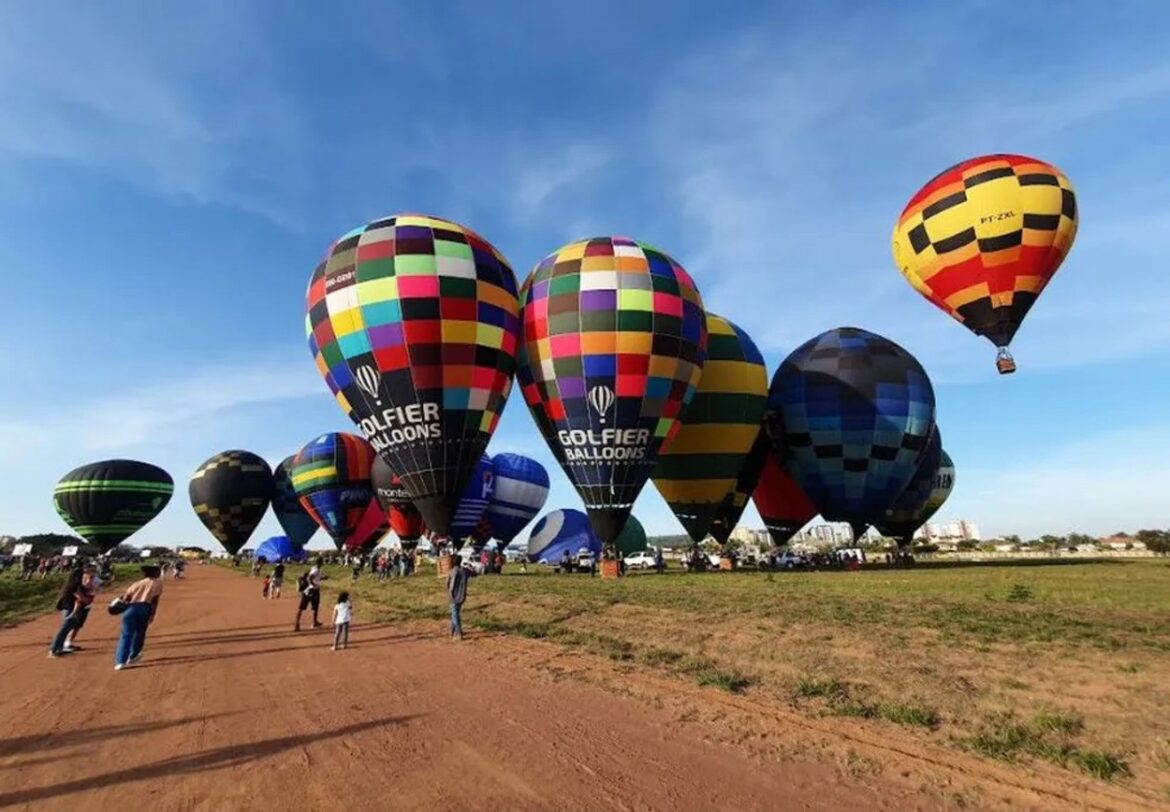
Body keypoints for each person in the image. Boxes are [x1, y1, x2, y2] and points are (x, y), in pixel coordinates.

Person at [114, 565, 163, 671]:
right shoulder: (157, 583)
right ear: (154, 573)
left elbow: (126, 597)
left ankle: (120, 662)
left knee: (126, 635)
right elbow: (155, 601)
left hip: (130, 608)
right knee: (140, 633)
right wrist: (152, 614)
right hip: (144, 608)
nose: (160, 573)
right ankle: (133, 656)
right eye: (158, 571)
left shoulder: (137, 583)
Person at [48, 567, 95, 657]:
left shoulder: (71, 585)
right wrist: (88, 600)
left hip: (68, 608)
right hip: (70, 609)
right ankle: (53, 650)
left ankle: (59, 648)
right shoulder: (74, 586)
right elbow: (82, 598)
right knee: (63, 630)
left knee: (65, 630)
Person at [63, 565, 101, 652]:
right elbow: (85, 588)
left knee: (78, 624)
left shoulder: (95, 579)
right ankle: (65, 642)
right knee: (73, 623)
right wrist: (90, 581)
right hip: (79, 603)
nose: (92, 572)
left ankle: (69, 641)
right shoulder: (81, 580)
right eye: (90, 570)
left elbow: (96, 589)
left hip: (86, 603)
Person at [446, 556, 474, 641]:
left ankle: (458, 633)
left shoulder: (452, 571)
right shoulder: (464, 571)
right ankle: (453, 630)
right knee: (455, 613)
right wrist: (470, 566)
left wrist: (449, 592)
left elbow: (448, 584)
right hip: (462, 595)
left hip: (453, 595)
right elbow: (474, 573)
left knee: (455, 614)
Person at [295, 557, 324, 631]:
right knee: (315, 607)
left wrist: (322, 578)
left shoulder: (313, 568)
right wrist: (314, 585)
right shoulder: (316, 570)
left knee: (302, 607)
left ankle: (297, 623)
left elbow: (314, 578)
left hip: (307, 591)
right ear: (320, 563)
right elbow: (310, 578)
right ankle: (314, 622)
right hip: (313, 591)